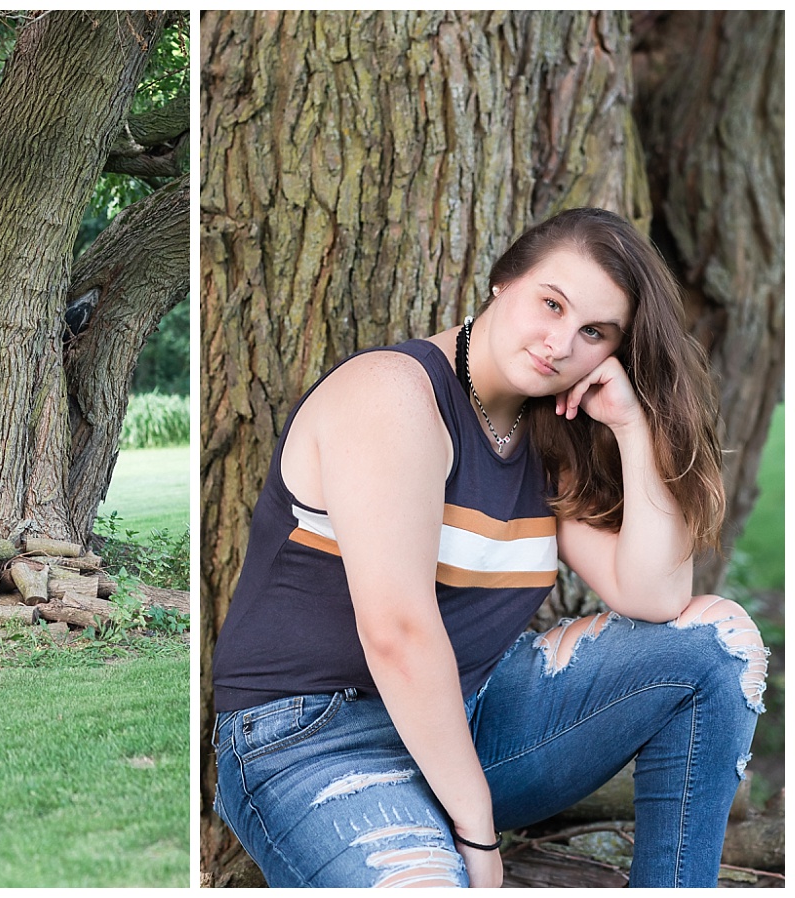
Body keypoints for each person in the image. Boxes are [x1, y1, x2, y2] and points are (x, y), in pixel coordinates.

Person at [210, 207, 768, 888]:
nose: (561, 343)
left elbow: (657, 595)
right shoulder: (391, 396)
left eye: (593, 332)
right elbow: (397, 633)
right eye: (551, 304)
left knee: (718, 646)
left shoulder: (542, 439)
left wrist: (632, 427)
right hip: (313, 739)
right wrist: (476, 834)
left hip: (470, 723)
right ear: (505, 280)